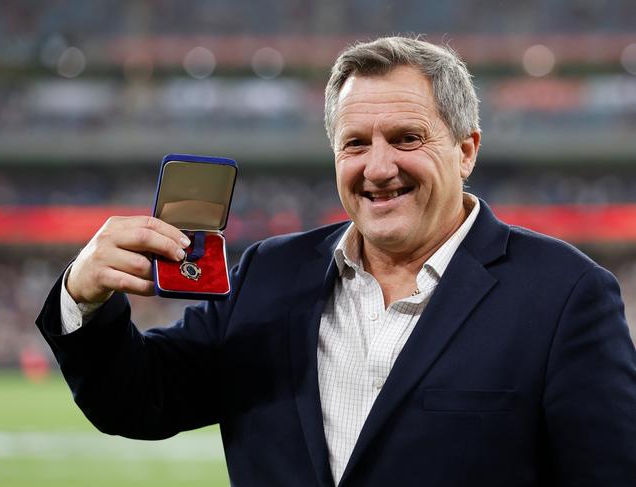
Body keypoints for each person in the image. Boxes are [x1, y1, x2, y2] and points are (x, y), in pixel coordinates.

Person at [37, 36, 636, 487]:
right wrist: (82, 296)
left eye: (406, 138)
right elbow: (139, 400)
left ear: (466, 151)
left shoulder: (565, 295)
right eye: (355, 143)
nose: (377, 168)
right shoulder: (270, 274)